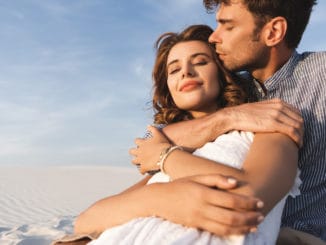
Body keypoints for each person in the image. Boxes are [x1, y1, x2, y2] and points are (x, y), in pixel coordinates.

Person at [69, 25, 299, 245]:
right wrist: (161, 198)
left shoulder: (267, 124)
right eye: (174, 69)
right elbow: (85, 221)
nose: (186, 72)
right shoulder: (169, 144)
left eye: (200, 62)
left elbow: (249, 199)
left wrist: (167, 158)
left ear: (223, 72)